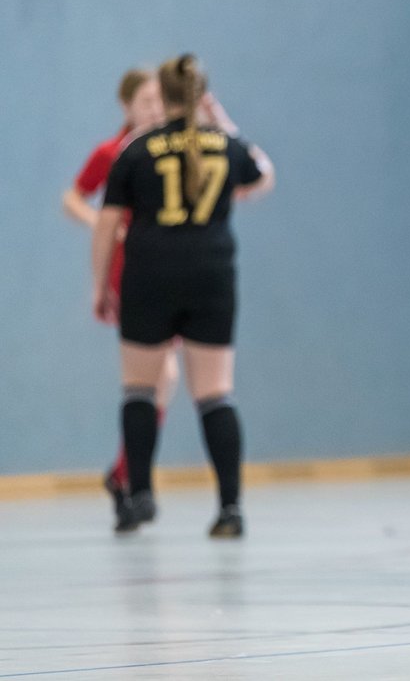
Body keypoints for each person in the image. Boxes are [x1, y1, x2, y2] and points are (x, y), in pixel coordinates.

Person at [92, 54, 274, 537]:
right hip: (212, 277)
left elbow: (107, 225)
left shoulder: (135, 149)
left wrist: (99, 287)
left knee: (139, 388)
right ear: (200, 96)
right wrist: (222, 119)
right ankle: (230, 507)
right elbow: (263, 175)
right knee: (214, 393)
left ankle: (141, 495)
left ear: (165, 96)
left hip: (148, 277)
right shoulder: (224, 144)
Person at [63, 68, 181, 531]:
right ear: (127, 106)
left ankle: (124, 473)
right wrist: (101, 225)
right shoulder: (112, 154)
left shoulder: (170, 151)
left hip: (169, 269)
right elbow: (74, 197)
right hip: (128, 271)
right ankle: (131, 475)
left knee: (161, 380)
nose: (155, 109)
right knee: (160, 372)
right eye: (146, 101)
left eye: (161, 101)